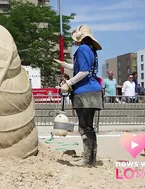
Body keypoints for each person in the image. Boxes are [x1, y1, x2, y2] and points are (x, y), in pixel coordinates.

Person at [55, 25, 103, 167]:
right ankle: (91, 160)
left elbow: (84, 72)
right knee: (89, 127)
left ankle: (87, 160)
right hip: (94, 91)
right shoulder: (91, 50)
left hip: (84, 92)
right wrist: (64, 64)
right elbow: (81, 68)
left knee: (84, 128)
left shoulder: (82, 49)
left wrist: (68, 83)